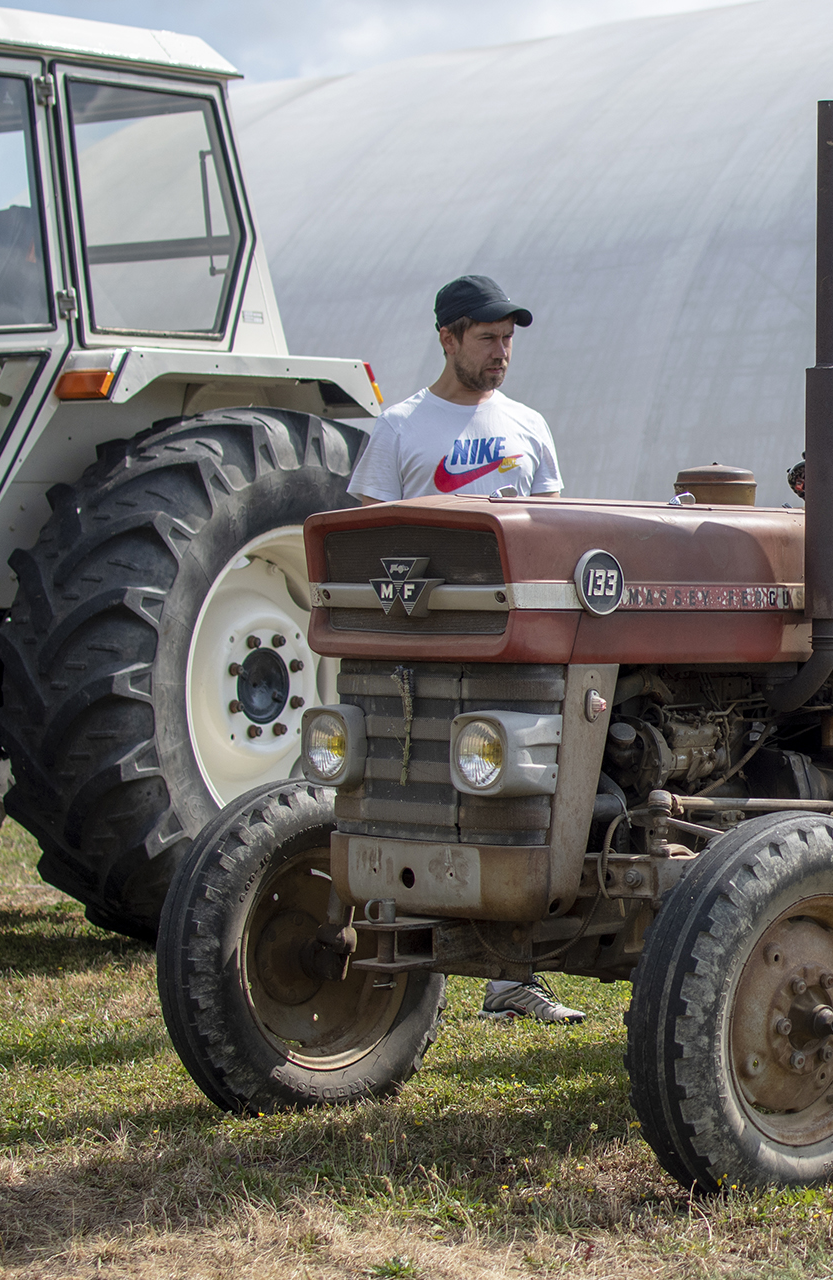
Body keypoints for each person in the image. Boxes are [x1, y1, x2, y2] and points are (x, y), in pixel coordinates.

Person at [346, 274, 585, 1025]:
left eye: (509, 338)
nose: (501, 352)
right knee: (415, 794)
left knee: (517, 803)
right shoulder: (401, 428)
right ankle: (394, 973)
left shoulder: (529, 425)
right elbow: (368, 538)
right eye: (487, 338)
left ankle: (511, 980)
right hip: (429, 644)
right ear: (447, 338)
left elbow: (553, 529)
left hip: (518, 651)